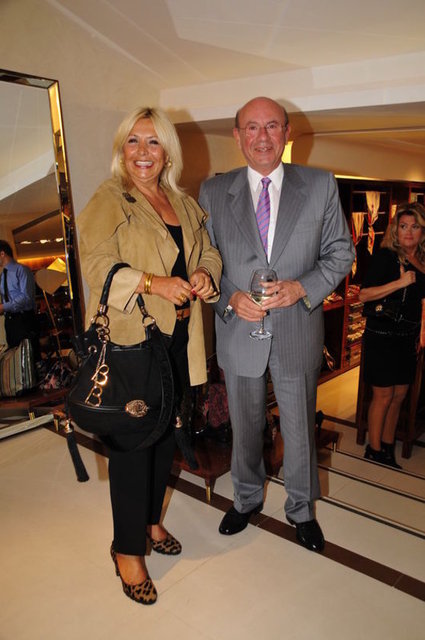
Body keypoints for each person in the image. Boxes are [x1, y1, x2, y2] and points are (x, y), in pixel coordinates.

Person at [77, 106, 222, 605]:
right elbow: (96, 265)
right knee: (132, 446)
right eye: (133, 141)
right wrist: (152, 283)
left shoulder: (182, 202)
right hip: (132, 343)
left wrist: (204, 274)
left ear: (167, 152)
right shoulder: (110, 197)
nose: (143, 152)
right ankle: (126, 549)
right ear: (122, 150)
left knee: (164, 437)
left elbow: (207, 251)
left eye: (153, 142)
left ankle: (150, 521)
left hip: (178, 340)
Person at [199, 96, 354, 553]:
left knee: (299, 428)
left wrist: (302, 287)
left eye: (271, 126)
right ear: (237, 136)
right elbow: (204, 261)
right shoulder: (213, 191)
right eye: (252, 127)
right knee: (245, 427)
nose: (262, 137)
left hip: (296, 330)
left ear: (288, 133)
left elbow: (340, 252)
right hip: (239, 331)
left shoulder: (321, 185)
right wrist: (230, 297)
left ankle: (301, 510)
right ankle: (246, 499)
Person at [359, 202, 425, 469]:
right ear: (396, 230)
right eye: (403, 226)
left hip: (407, 338)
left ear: (422, 231)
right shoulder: (386, 256)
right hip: (383, 336)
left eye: (415, 226)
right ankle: (374, 450)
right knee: (383, 396)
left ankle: (387, 446)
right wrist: (400, 282)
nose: (408, 232)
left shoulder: (421, 260)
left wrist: (421, 332)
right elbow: (364, 295)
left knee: (399, 395)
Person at [0, 240, 40, 360]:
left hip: (24, 319)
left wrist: (4, 307)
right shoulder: (2, 275)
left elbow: (26, 298)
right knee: (15, 359)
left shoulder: (22, 270)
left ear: (2, 253)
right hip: (10, 322)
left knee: (29, 358)